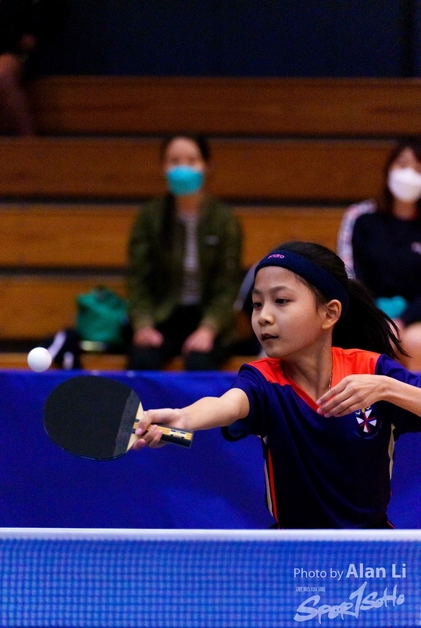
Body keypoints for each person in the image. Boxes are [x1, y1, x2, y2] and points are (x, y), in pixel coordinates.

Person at [130, 241, 421, 529]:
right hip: (291, 554)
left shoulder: (372, 370)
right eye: (257, 304)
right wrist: (184, 418)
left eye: (281, 301)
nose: (263, 317)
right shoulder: (263, 380)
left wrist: (386, 388)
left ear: (330, 313)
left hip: (370, 554)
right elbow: (227, 404)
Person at [126, 133, 243, 371]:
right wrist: (144, 326)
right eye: (174, 161)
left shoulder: (225, 221)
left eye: (191, 161)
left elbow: (227, 285)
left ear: (206, 167)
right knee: (143, 360)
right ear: (163, 168)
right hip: (163, 317)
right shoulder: (150, 218)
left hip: (206, 317)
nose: (183, 168)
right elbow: (138, 280)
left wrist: (209, 329)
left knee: (200, 363)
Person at [337, 137, 421, 371]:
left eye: (418, 168)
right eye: (403, 165)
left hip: (414, 318)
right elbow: (351, 274)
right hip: (369, 311)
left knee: (416, 342)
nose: (409, 174)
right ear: (389, 170)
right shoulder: (361, 218)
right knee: (367, 339)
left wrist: (403, 320)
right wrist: (376, 318)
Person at [0, 0, 67, 135]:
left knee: (0, 73)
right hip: (5, 44)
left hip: (14, 52)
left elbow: (28, 41)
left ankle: (30, 143)